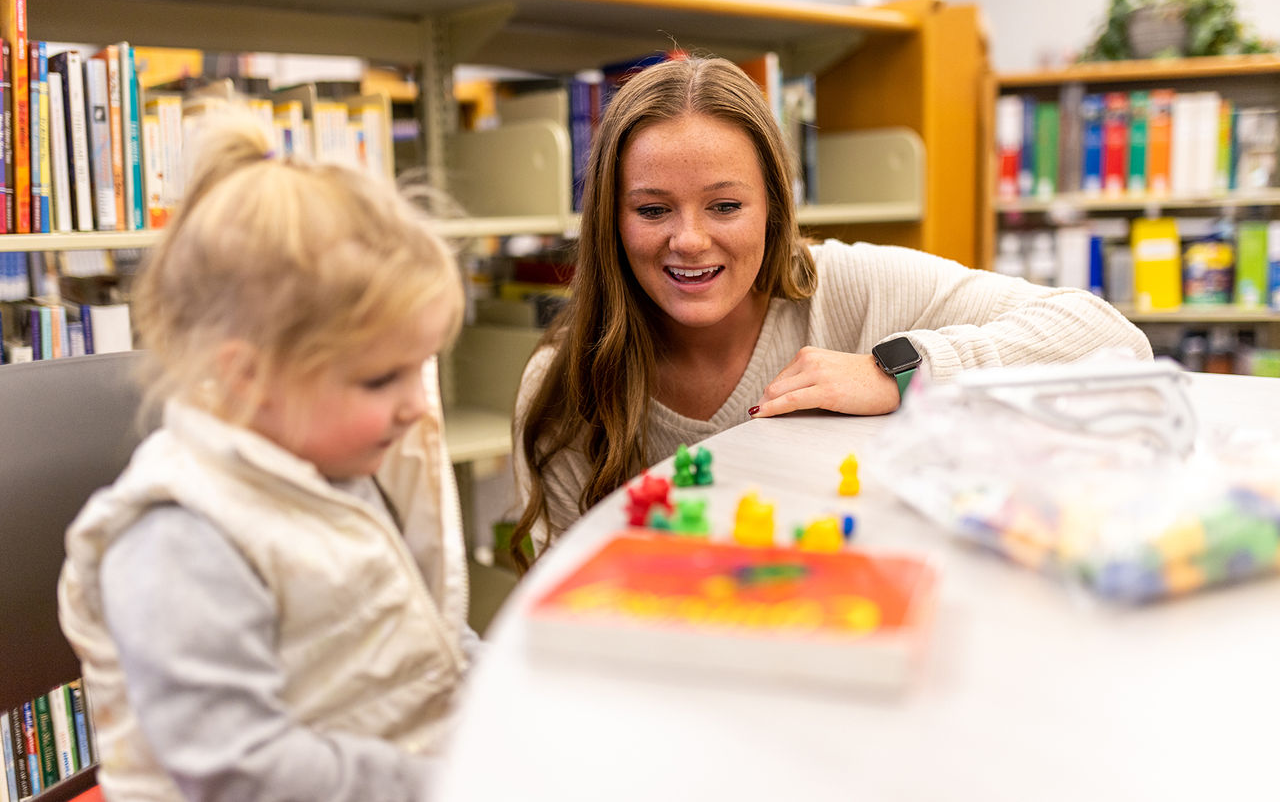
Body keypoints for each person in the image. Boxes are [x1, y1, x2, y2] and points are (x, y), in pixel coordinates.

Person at [509, 56, 1152, 568]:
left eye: (726, 206)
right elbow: (570, 612)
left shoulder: (848, 284)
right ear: (610, 222)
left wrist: (901, 370)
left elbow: (1111, 338)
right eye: (652, 210)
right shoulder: (562, 386)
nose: (690, 240)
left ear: (774, 208)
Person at [58, 110, 475, 801]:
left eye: (419, 370)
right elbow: (241, 772)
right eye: (380, 379)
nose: (419, 407)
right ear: (248, 376)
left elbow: (426, 633)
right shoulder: (180, 537)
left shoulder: (339, 463)